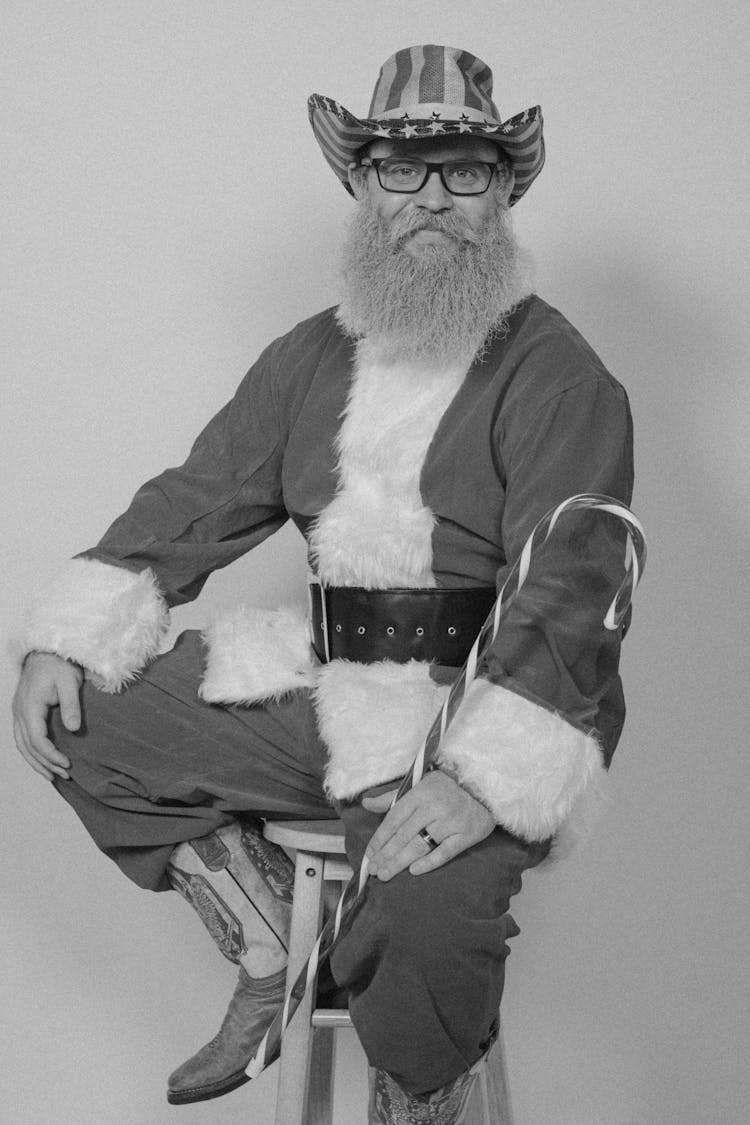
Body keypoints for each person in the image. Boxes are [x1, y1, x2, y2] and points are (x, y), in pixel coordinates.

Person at [12, 44, 635, 1124]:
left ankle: (420, 1096)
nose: (431, 198)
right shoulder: (310, 357)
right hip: (325, 691)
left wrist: (477, 781)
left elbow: (575, 591)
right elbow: (198, 497)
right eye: (403, 170)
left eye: (464, 170)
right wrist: (66, 635)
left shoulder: (561, 374)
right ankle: (266, 938)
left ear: (504, 191)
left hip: (471, 715)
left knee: (423, 919)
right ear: (360, 186)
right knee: (83, 715)